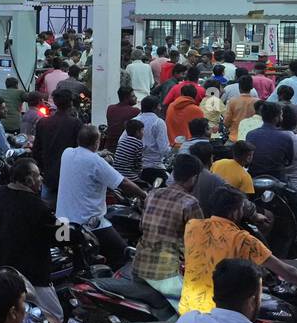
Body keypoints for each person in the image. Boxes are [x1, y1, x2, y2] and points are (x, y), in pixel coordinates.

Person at [180, 186, 297, 315]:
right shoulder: (242, 240)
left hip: (188, 308)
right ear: (236, 211)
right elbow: (287, 271)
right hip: (218, 312)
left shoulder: (192, 226)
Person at [0, 158, 65, 323]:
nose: (41, 179)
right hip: (28, 273)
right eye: (38, 175)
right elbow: (62, 236)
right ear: (28, 180)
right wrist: (70, 229)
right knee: (56, 315)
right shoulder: (38, 207)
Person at [57, 125, 146, 266]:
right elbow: (124, 183)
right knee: (124, 255)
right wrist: (144, 195)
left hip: (62, 223)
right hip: (87, 225)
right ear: (96, 142)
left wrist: (100, 154)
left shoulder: (67, 153)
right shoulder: (96, 162)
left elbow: (84, 159)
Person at [131, 154, 204, 309]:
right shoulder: (190, 203)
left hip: (138, 267)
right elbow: (199, 244)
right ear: (194, 178)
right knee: (194, 312)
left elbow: (142, 227)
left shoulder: (152, 194)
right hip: (165, 274)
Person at [245, 101, 293, 180]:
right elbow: (289, 161)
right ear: (276, 118)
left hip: (254, 177)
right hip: (277, 178)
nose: (282, 117)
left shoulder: (250, 134)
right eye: (281, 115)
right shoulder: (286, 138)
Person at [133, 96, 170, 172]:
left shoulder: (134, 120)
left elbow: (122, 140)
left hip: (134, 166)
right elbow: (164, 150)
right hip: (154, 166)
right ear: (154, 108)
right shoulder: (158, 122)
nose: (160, 109)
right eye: (159, 106)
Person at [223, 75, 259, 140]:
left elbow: (226, 123)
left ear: (239, 87)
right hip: (253, 139)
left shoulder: (232, 101)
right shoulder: (258, 102)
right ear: (251, 87)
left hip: (235, 137)